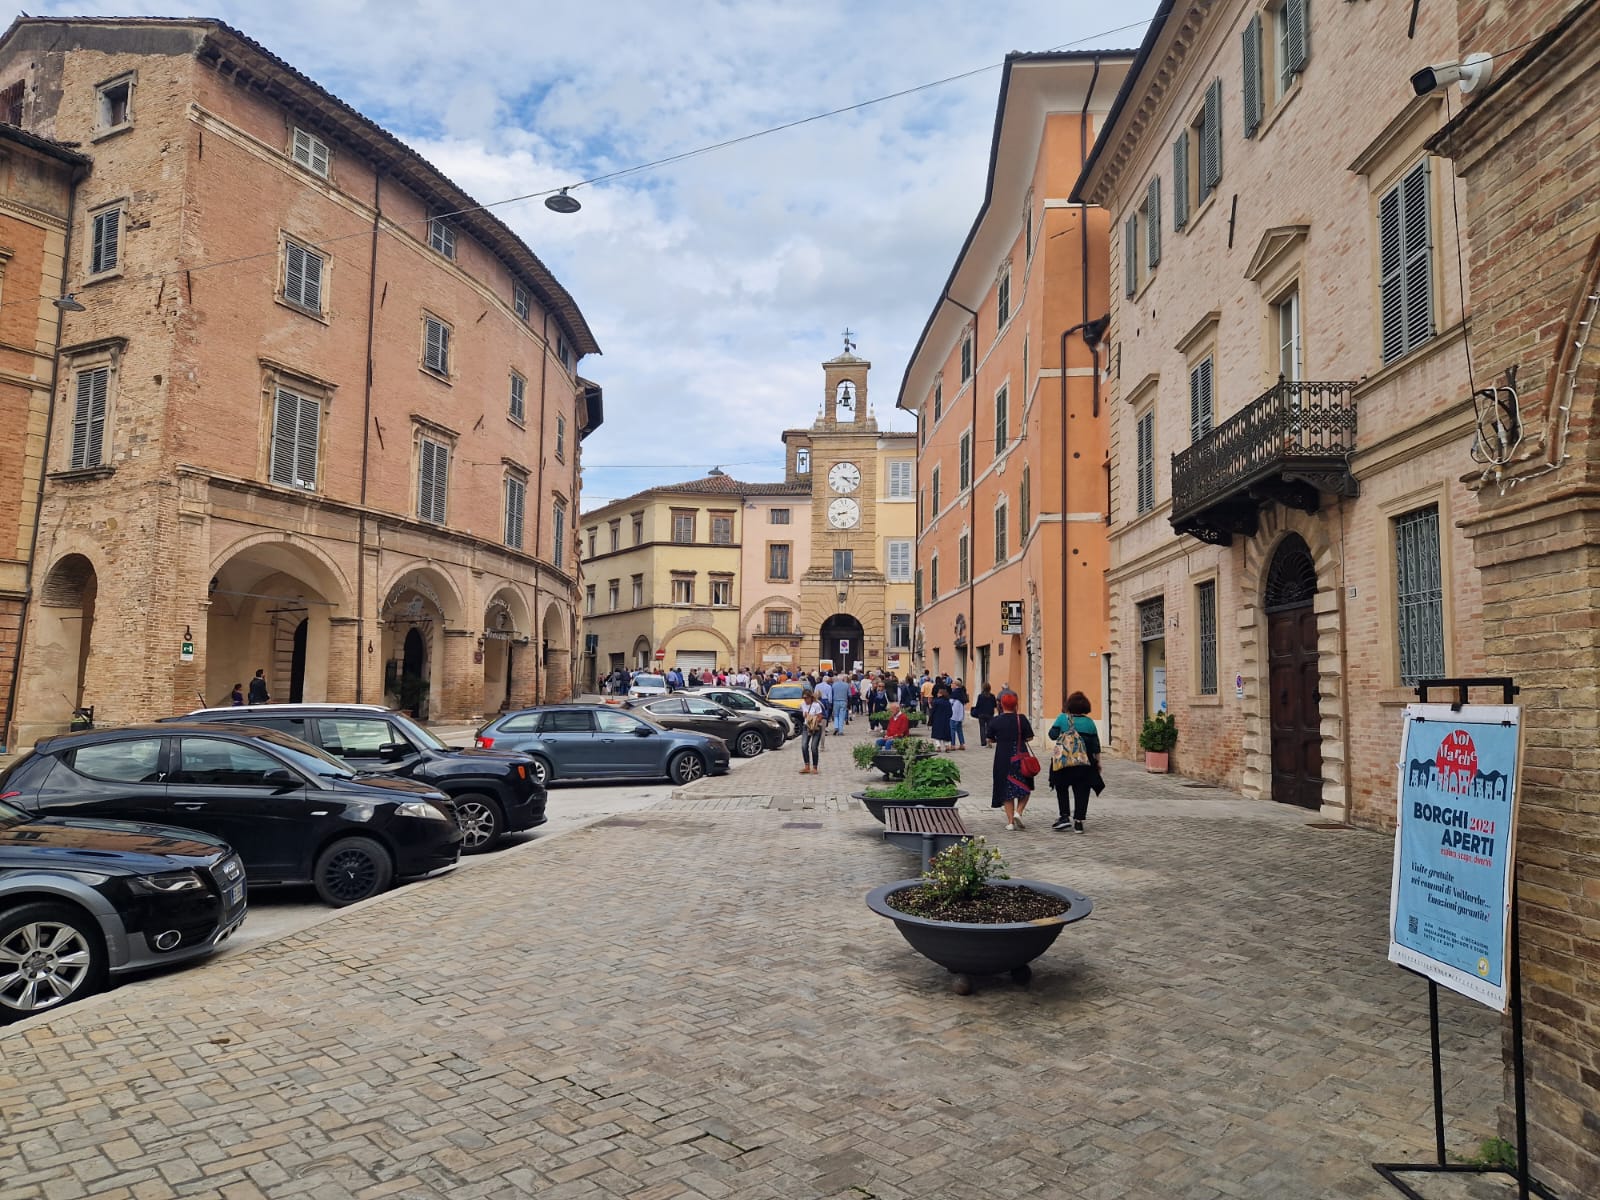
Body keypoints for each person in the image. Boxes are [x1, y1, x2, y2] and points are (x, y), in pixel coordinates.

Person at [1048, 691, 1104, 832]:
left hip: (1064, 762)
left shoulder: (1062, 718)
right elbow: (1095, 745)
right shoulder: (1090, 722)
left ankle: (1064, 816)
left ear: (1069, 705)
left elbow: (1052, 735)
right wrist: (1097, 762)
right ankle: (1079, 821)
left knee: (1061, 787)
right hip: (1084, 763)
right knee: (1082, 790)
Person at [988, 691, 1035, 831]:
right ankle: (1018, 812)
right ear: (1016, 704)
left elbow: (990, 739)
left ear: (1001, 705)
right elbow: (1030, 737)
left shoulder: (996, 721)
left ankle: (1010, 822)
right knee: (1025, 787)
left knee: (1006, 790)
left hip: (1002, 757)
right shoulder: (1021, 719)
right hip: (1020, 756)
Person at [799, 688, 826, 774]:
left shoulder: (816, 705)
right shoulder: (802, 704)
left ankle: (815, 767)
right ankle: (807, 766)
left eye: (806, 698)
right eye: (804, 698)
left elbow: (820, 716)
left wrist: (812, 719)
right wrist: (806, 716)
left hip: (816, 727)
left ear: (811, 697)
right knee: (804, 745)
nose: (805, 700)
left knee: (814, 747)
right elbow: (804, 715)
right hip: (806, 726)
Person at [929, 684, 953, 751]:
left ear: (941, 694)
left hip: (937, 720)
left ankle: (938, 746)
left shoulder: (936, 702)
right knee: (945, 733)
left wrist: (931, 719)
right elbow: (951, 713)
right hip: (946, 720)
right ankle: (947, 746)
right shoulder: (948, 702)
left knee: (937, 734)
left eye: (938, 693)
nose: (937, 694)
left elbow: (933, 711)